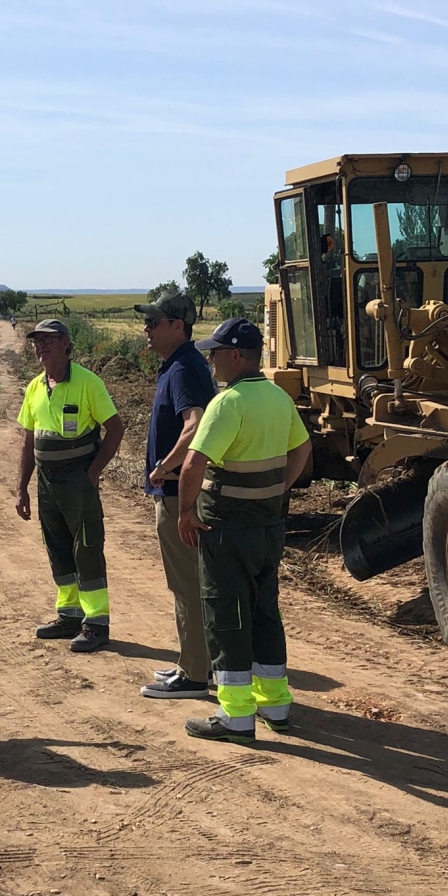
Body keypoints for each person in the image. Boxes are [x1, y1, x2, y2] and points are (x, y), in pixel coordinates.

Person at [176, 317, 311, 744]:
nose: (212, 361)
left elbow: (194, 464)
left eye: (216, 353)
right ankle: (275, 704)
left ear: (235, 355)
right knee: (264, 612)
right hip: (269, 525)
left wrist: (185, 512)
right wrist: (278, 488)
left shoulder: (227, 403)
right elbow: (303, 447)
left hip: (227, 527)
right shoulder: (277, 397)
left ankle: (235, 716)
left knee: (226, 615)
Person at [15, 319, 124, 652]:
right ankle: (69, 616)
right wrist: (22, 488)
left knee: (86, 549)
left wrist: (92, 473)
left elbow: (116, 428)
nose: (40, 346)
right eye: (37, 341)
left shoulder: (88, 383)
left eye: (48, 340)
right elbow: (29, 440)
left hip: (78, 481)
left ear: (65, 343)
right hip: (47, 483)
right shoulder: (35, 387)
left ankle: (96, 624)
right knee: (58, 548)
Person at [133, 289, 217, 699]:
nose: (146, 329)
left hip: (177, 493)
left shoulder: (183, 369)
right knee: (189, 582)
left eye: (154, 322)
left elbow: (195, 424)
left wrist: (165, 467)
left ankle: (197, 676)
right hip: (176, 491)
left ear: (177, 326)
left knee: (186, 583)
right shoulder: (179, 365)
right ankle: (193, 662)